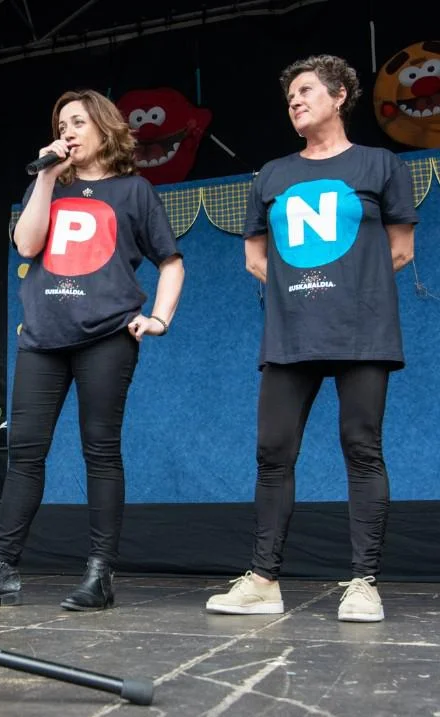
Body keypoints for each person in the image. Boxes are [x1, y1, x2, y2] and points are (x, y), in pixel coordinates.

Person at [0, 89, 185, 611]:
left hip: (107, 335)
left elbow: (170, 261)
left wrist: (159, 317)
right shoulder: (48, 184)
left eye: (78, 122)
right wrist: (47, 176)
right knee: (25, 453)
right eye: (61, 124)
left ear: (104, 127)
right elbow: (27, 246)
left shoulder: (133, 191)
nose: (68, 132)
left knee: (101, 451)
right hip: (43, 337)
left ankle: (99, 574)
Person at [206, 55, 417, 622]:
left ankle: (364, 583)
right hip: (291, 332)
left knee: (361, 448)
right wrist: (299, 291)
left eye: (305, 91)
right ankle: (263, 581)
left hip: (362, 330)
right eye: (289, 97)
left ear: (340, 95)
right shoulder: (272, 175)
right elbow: (254, 256)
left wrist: (349, 289)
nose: (294, 101)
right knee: (272, 452)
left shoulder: (379, 164)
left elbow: (401, 249)